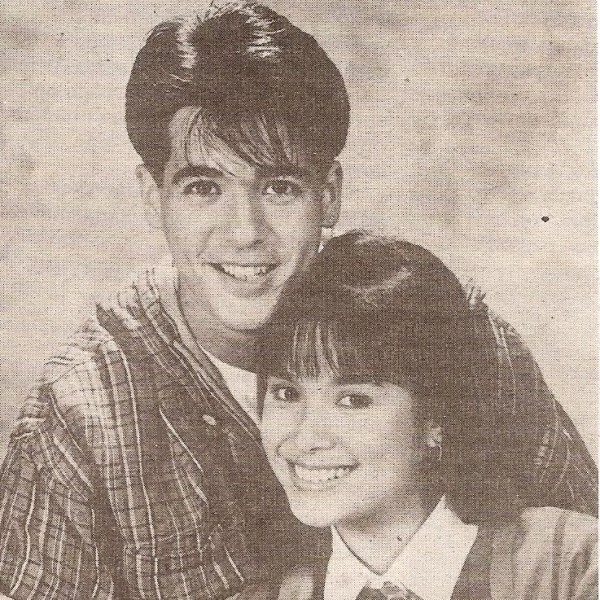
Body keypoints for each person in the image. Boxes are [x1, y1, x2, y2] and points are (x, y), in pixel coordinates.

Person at [0, 2, 595, 600]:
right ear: (154, 196)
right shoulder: (82, 412)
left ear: (328, 194)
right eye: (203, 187)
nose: (245, 233)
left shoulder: (446, 325)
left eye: (279, 187)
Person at [259, 230, 598, 600]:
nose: (306, 438)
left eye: (353, 400)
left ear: (436, 418)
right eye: (286, 393)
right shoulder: (273, 592)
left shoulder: (573, 566)